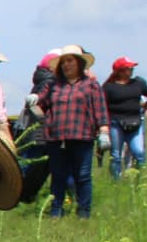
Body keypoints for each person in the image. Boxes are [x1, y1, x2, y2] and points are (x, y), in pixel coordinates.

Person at [33, 46, 102, 217]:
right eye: (63, 62)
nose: (66, 65)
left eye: (70, 61)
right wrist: (35, 101)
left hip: (82, 135)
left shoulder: (91, 85)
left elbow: (100, 109)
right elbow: (41, 102)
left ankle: (84, 212)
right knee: (58, 176)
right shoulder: (54, 85)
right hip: (56, 137)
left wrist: (104, 130)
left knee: (83, 175)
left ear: (79, 63)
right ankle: (56, 211)